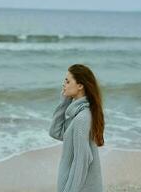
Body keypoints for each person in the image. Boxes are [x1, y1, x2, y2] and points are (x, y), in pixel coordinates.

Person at [49, 64, 105, 192]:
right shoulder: (77, 115)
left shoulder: (82, 119)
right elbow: (55, 132)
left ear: (80, 86)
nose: (64, 84)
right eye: (64, 81)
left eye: (68, 81)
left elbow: (82, 161)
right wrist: (65, 100)